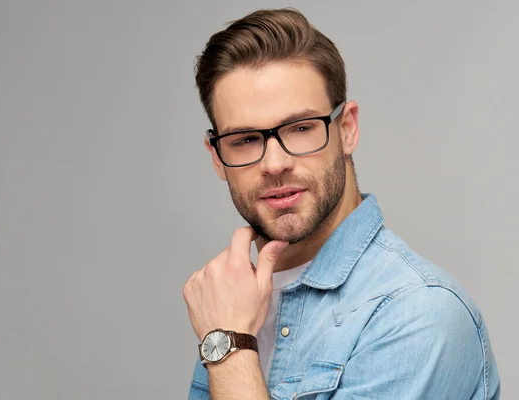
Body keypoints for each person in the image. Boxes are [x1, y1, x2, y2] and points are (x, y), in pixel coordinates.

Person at [183, 8, 500, 400]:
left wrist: (227, 345)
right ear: (217, 157)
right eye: (245, 139)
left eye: (300, 129)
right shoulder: (231, 301)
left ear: (346, 129)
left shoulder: (419, 312)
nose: (274, 163)